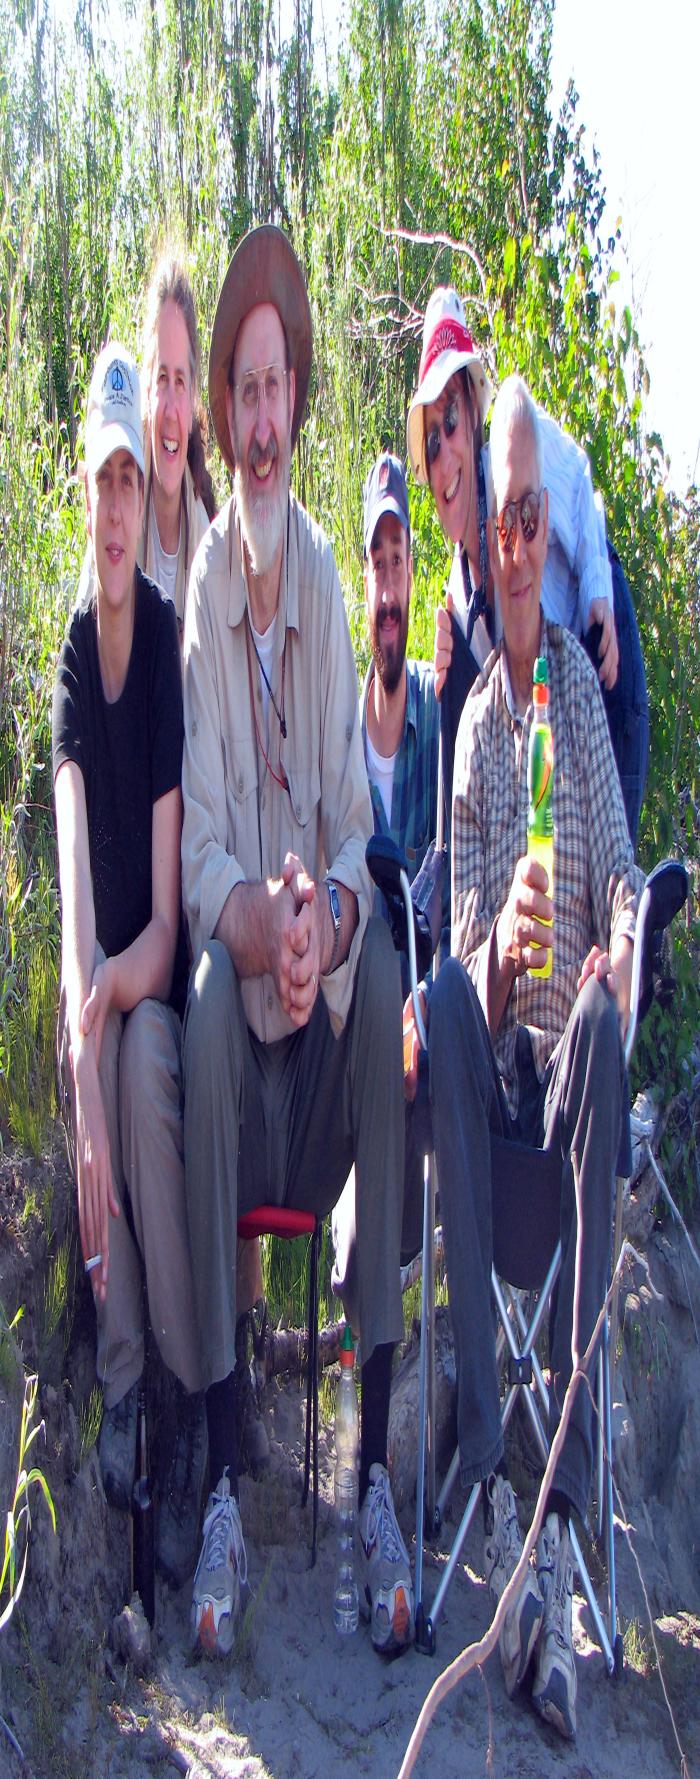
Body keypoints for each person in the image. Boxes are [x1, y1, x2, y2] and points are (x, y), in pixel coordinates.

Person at [181, 225, 412, 1660]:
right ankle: (218, 1467)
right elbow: (205, 840)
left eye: (281, 392)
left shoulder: (327, 579)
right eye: (242, 395)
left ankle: (377, 1466)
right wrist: (261, 923)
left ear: (299, 401)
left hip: (320, 1062)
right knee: (207, 991)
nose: (263, 424)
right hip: (242, 1079)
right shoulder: (204, 587)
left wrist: (323, 915)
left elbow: (349, 823)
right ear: (223, 412)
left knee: (389, 961)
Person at [426, 376, 644, 1739]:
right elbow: (453, 942)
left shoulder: (572, 683)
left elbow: (621, 875)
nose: (511, 543)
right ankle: (485, 1456)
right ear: (482, 546)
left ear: (544, 532)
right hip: (490, 1075)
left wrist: (610, 945)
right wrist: (499, 954)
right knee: (448, 990)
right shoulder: (469, 726)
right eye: (495, 523)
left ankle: (549, 1510)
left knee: (607, 1018)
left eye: (525, 517)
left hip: (566, 1091)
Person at [52, 343, 206, 1582]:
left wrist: (104, 998)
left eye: (125, 486)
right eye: (96, 485)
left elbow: (157, 924)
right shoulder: (67, 654)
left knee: (138, 1040)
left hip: (154, 975)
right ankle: (123, 1387)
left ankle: (174, 1371)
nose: (112, 510)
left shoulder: (158, 639)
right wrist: (77, 1010)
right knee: (88, 1057)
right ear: (77, 497)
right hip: (102, 985)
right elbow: (72, 901)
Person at [406, 286, 648, 848]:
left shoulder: (513, 450)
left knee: (614, 859)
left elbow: (581, 486)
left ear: (473, 412)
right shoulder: (459, 594)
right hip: (554, 721)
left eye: (452, 420)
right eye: (432, 442)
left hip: (604, 664)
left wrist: (596, 593)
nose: (446, 454)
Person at [332, 451, 445, 1328]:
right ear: (363, 576)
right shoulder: (339, 714)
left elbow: (446, 859)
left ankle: (372, 1254)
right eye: (377, 562)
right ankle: (356, 1245)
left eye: (400, 558)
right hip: (355, 971)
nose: (389, 583)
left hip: (420, 965)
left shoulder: (438, 711)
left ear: (415, 566)